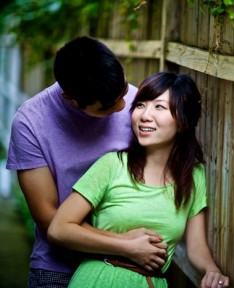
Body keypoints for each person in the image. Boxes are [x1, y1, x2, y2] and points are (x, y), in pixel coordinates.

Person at [6, 36, 166, 287]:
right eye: (107, 108)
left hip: (127, 270)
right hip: (59, 270)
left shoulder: (140, 105)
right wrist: (125, 244)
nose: (123, 106)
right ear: (70, 99)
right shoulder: (30, 123)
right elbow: (49, 218)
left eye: (124, 91)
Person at [47, 71, 230, 288]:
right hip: (98, 278)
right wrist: (127, 247)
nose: (144, 115)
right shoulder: (112, 165)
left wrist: (211, 271)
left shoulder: (193, 177)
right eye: (141, 105)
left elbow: (196, 246)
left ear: (183, 120)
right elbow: (58, 228)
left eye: (159, 107)